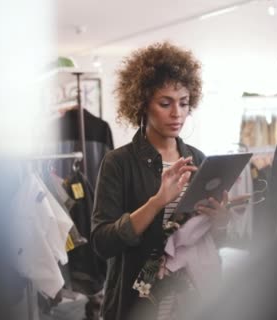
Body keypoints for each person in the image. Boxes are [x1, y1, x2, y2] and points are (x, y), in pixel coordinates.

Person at [91, 42, 231, 320]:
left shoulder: (198, 160)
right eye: (165, 103)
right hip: (138, 304)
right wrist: (157, 203)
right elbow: (102, 242)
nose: (177, 113)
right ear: (143, 104)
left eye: (184, 103)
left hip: (195, 300)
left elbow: (208, 241)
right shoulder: (119, 163)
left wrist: (220, 220)